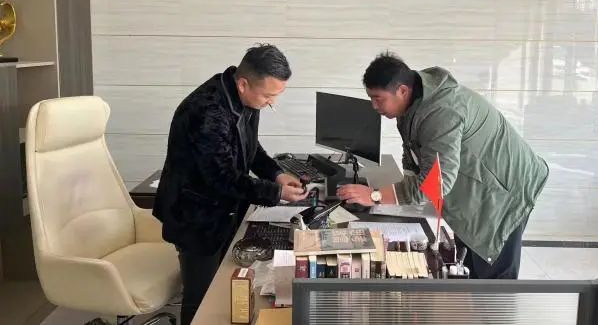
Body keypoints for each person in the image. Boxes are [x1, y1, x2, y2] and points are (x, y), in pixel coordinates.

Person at [337, 52, 549, 279]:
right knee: (467, 263)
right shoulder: (414, 99)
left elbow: (436, 184)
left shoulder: (442, 112)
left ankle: (488, 300)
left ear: (402, 91)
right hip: (476, 184)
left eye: (378, 99)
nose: (374, 106)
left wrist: (375, 196)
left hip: (505, 191)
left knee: (492, 278)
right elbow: (414, 151)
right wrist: (404, 192)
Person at [153, 44, 308, 325]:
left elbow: (251, 148)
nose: (271, 102)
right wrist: (276, 193)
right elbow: (221, 177)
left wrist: (276, 174)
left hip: (224, 210)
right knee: (201, 300)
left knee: (225, 290)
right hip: (196, 218)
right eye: (268, 95)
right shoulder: (206, 111)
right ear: (243, 84)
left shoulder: (245, 100)